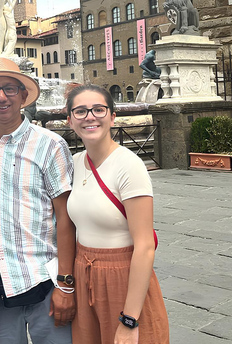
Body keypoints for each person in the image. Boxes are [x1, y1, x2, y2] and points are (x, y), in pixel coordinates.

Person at [0, 57, 76, 342]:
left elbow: (65, 216)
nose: (2, 97)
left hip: (43, 278)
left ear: (24, 96)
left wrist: (66, 285)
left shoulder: (50, 144)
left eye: (10, 89)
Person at [65, 85, 169, 343]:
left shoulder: (128, 165)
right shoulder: (75, 163)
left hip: (122, 275)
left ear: (112, 117)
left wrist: (130, 319)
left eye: (98, 109)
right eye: (80, 111)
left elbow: (144, 246)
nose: (90, 117)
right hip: (84, 273)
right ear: (69, 120)